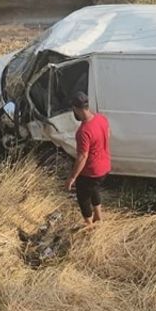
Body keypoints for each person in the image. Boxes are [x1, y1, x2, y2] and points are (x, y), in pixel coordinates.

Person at [64, 92, 111, 227]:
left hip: (92, 170)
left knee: (83, 197)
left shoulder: (83, 131)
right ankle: (98, 217)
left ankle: (89, 225)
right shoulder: (102, 119)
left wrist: (72, 177)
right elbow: (108, 134)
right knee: (94, 188)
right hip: (105, 166)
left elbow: (82, 156)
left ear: (76, 109)